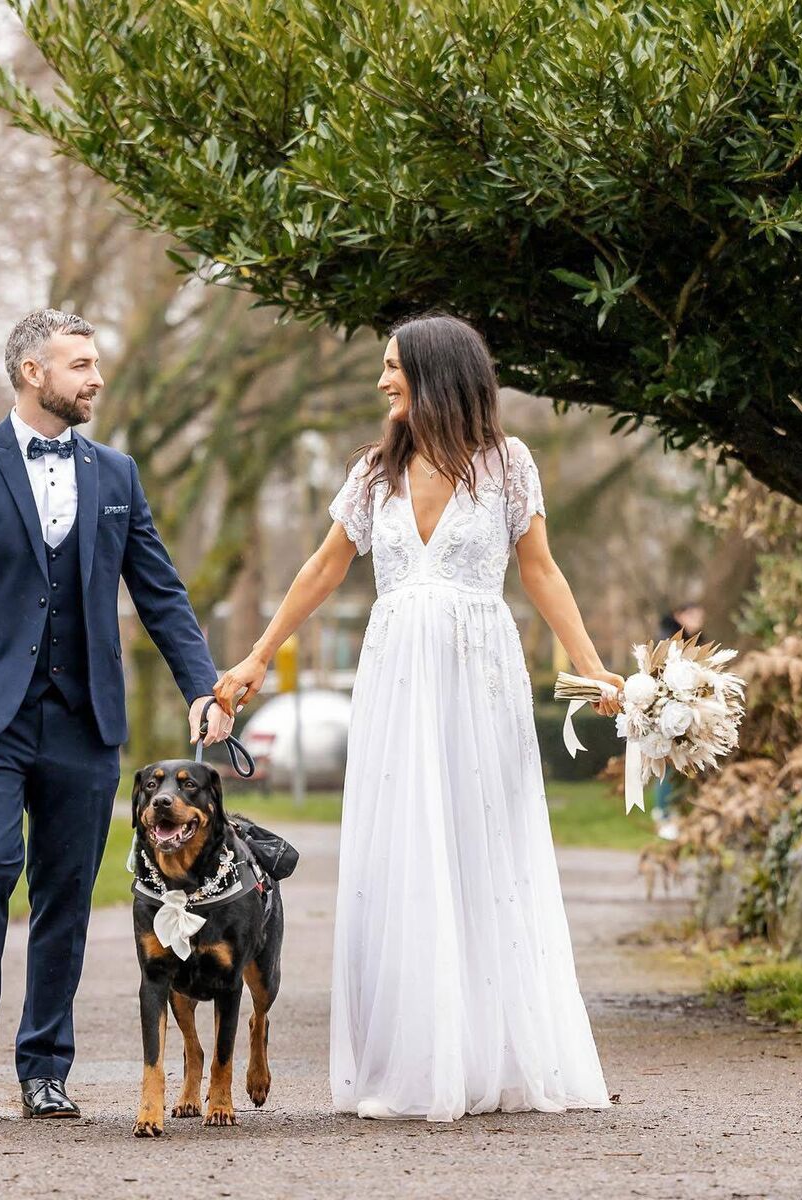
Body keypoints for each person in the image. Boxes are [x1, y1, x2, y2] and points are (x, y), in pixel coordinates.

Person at [215, 313, 620, 1122]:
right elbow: (324, 567)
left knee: (481, 846)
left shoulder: (509, 465)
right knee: (405, 852)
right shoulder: (373, 475)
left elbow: (540, 571)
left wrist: (589, 662)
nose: (381, 381)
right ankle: (414, 1057)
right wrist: (258, 655)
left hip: (481, 674)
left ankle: (493, 1052)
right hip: (397, 675)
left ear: (437, 374)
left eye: (394, 366)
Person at [0, 308, 232, 1118]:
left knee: (67, 888)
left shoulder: (117, 474)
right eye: (79, 364)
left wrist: (202, 685)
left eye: (96, 362)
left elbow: (158, 590)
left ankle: (45, 1065)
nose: (96, 377)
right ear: (32, 373)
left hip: (84, 717)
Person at [651, 602, 706, 837]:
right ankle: (664, 814)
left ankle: (680, 814)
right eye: (692, 615)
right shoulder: (669, 642)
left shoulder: (699, 642)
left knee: (686, 763)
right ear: (679, 616)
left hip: (691, 711)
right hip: (668, 712)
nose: (697, 620)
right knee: (669, 763)